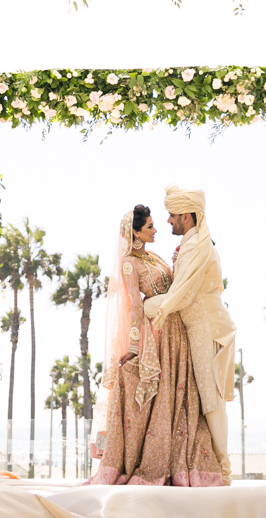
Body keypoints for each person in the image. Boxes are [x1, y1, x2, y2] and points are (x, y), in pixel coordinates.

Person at [87, 205, 223, 486]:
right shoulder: (129, 263)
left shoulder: (154, 257)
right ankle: (150, 464)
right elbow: (135, 307)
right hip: (159, 333)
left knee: (185, 395)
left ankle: (187, 464)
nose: (156, 229)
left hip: (178, 330)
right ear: (135, 232)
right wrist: (136, 348)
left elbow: (176, 287)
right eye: (149, 226)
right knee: (161, 393)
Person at [144, 185, 236, 486]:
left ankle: (223, 469)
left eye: (171, 215)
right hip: (195, 328)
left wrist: (147, 306)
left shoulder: (197, 245)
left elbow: (181, 295)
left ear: (186, 215)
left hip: (207, 328)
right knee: (205, 401)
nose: (167, 220)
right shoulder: (191, 242)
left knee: (211, 401)